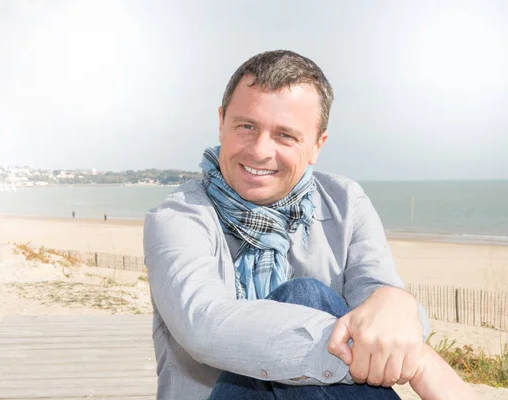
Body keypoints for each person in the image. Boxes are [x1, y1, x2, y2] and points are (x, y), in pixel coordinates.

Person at [144, 50, 477, 400]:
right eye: (246, 126)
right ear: (221, 122)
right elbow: (205, 325)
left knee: (333, 299)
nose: (259, 150)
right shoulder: (178, 218)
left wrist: (398, 304)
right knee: (303, 297)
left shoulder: (345, 202)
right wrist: (416, 360)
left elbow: (388, 315)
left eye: (284, 135)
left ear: (318, 145)